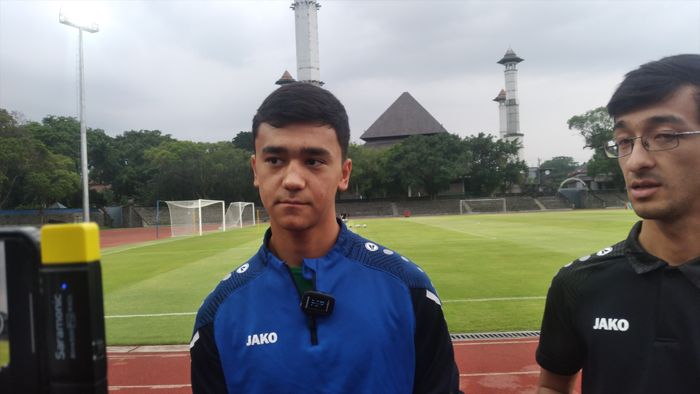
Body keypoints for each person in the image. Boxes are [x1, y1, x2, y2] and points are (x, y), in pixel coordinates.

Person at [190, 82, 460, 393]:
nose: (292, 180)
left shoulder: (410, 292)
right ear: (255, 169)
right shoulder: (220, 313)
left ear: (344, 173)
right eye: (275, 160)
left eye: (314, 161)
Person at [536, 54, 700, 393]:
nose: (636, 161)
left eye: (665, 135)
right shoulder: (579, 283)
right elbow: (553, 386)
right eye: (625, 141)